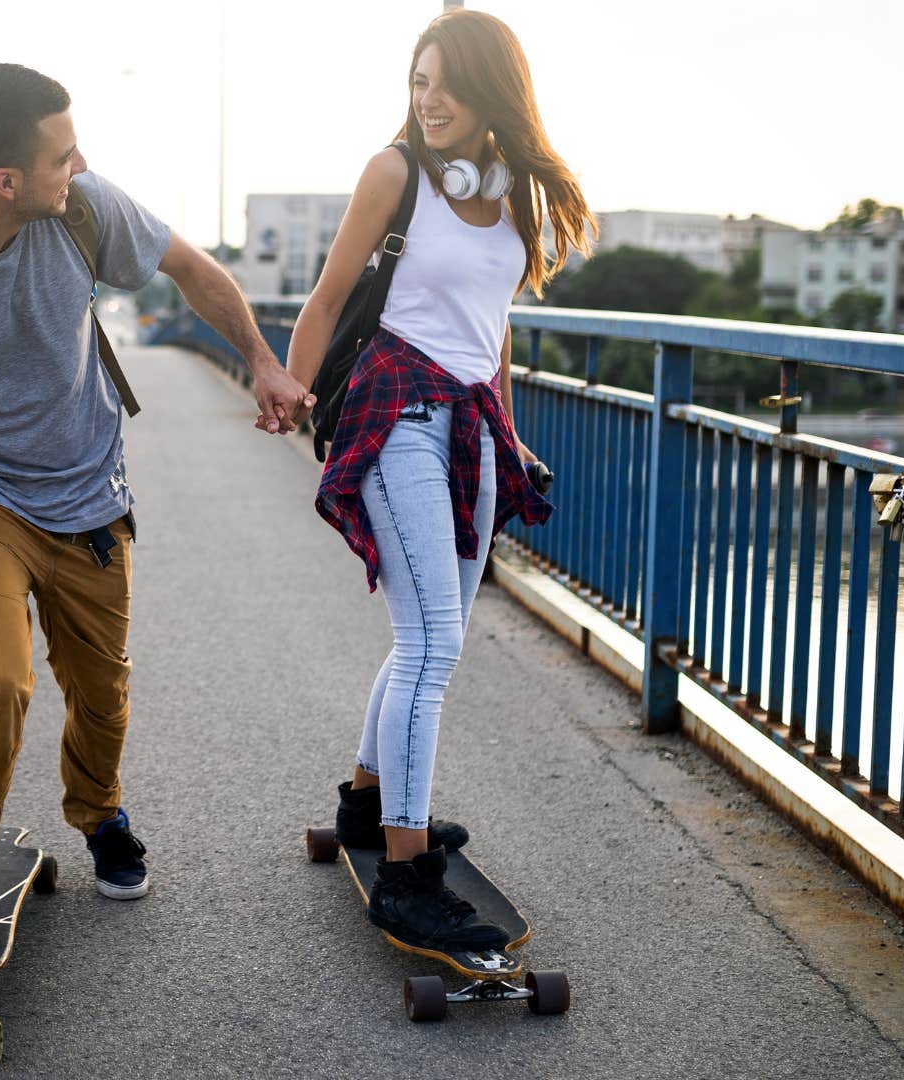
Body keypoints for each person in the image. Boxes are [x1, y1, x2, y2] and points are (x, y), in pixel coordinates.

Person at [0, 63, 307, 990]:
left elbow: (194, 271)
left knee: (102, 688)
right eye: (60, 154)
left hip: (87, 491)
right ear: (6, 181)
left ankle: (100, 812)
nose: (78, 163)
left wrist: (263, 362)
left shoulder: (84, 208)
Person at [281, 10, 589, 953]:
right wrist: (291, 391)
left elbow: (493, 330)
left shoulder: (519, 193)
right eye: (419, 81)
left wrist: (511, 431)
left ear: (496, 88)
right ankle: (407, 873)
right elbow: (330, 296)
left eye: (448, 82)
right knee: (434, 645)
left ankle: (369, 808)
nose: (430, 99)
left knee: (430, 630)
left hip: (472, 425)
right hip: (397, 411)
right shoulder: (395, 172)